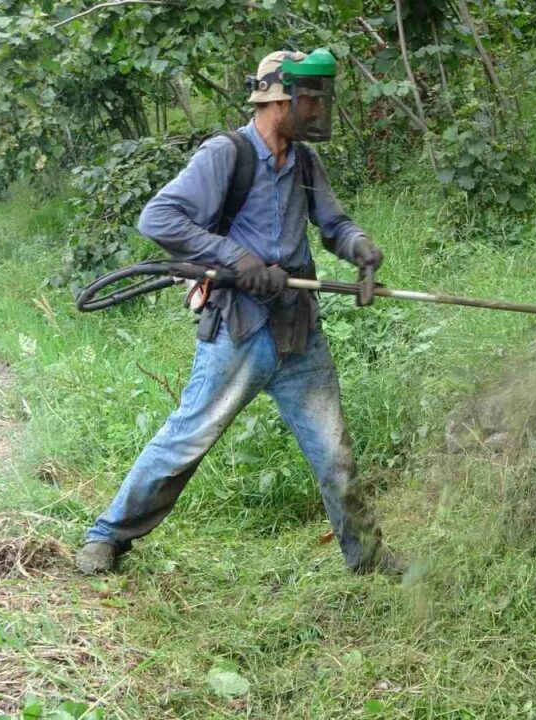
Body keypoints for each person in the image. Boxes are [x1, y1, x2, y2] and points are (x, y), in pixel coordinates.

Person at [75, 49, 400, 576]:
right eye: (310, 99)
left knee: (335, 456)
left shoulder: (305, 161)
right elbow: (157, 217)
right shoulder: (226, 155)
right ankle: (106, 537)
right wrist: (237, 258)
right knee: (187, 438)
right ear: (277, 99)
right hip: (240, 329)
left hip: (299, 330)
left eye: (321, 99)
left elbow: (333, 224)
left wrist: (360, 247)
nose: (318, 110)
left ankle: (366, 557)